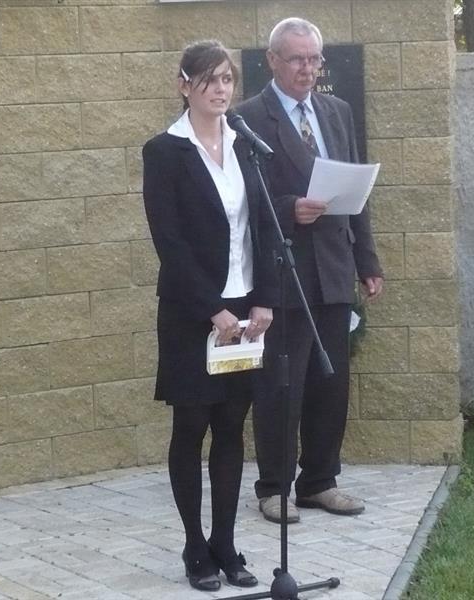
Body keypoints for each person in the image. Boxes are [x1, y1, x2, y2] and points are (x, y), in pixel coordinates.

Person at [142, 40, 278, 591]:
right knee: (192, 425)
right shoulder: (164, 151)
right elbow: (169, 242)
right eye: (208, 79)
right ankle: (195, 547)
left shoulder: (246, 144)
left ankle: (225, 542)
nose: (221, 89)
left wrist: (264, 299)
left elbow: (264, 228)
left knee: (231, 425)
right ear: (184, 85)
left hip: (245, 308)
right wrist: (213, 309)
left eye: (226, 79)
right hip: (192, 311)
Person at [236, 18, 384, 524]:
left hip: (334, 268)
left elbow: (356, 191)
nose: (307, 68)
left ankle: (320, 481)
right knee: (282, 384)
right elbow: (241, 200)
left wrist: (367, 261)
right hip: (283, 273)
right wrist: (288, 208)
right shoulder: (247, 118)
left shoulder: (336, 111)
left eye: (314, 58)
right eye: (296, 58)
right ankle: (274, 487)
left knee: (330, 383)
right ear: (272, 60)